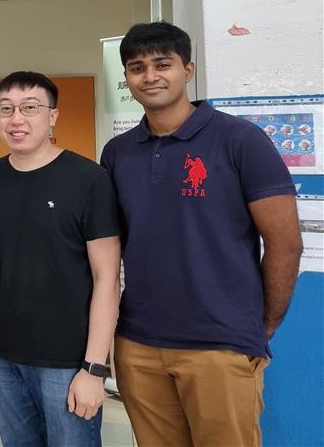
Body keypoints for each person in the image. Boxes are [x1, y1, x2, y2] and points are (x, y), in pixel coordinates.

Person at [101, 22, 301, 447]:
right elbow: (108, 242)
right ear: (127, 78)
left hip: (220, 343)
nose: (150, 76)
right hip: (138, 342)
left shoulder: (240, 139)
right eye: (137, 68)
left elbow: (285, 242)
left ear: (188, 70)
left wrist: (262, 325)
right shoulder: (118, 152)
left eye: (163, 64)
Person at [0, 71, 121, 447]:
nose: (16, 119)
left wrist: (93, 367)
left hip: (66, 360)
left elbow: (107, 278)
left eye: (30, 108)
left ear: (53, 116)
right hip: (0, 355)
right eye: (6, 109)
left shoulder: (89, 179)